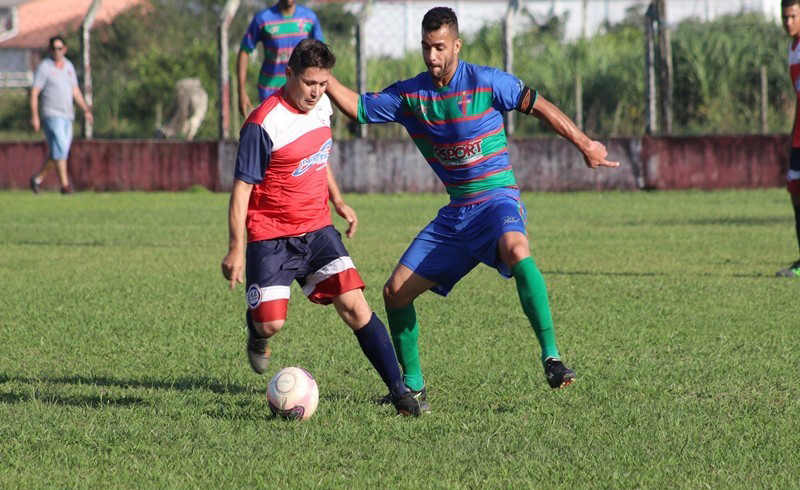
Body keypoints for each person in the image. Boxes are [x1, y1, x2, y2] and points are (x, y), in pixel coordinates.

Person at [325, 7, 619, 408]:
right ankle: (413, 385)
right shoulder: (412, 95)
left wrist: (585, 144)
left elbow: (540, 105)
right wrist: (324, 79)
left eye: (440, 48)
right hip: (457, 214)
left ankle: (552, 358)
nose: (432, 57)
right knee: (394, 293)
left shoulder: (487, 81)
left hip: (498, 200)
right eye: (426, 48)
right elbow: (358, 108)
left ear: (456, 46)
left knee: (518, 250)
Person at [221, 39, 423, 417]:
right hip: (271, 235)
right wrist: (235, 247)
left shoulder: (323, 105)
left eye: (323, 83)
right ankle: (256, 330)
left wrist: (339, 199)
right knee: (272, 322)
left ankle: (402, 395)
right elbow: (241, 189)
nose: (315, 92)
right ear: (289, 75)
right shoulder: (263, 123)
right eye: (309, 82)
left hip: (317, 231)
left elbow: (318, 156)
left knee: (356, 307)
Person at [237, 0, 324, 117]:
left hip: (301, 93)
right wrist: (241, 92)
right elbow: (244, 51)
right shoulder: (262, 19)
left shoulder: (309, 18)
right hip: (270, 93)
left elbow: (321, 55)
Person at [29, 35, 93, 195]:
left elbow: (75, 90)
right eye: (54, 48)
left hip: (67, 115)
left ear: (64, 49)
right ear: (50, 49)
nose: (57, 51)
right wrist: (35, 116)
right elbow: (35, 92)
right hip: (51, 114)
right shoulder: (44, 67)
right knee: (61, 148)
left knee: (59, 151)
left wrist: (85, 109)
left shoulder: (69, 67)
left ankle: (37, 180)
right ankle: (65, 186)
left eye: (60, 48)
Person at [778, 0, 800, 277]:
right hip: (798, 139)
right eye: (784, 17)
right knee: (795, 195)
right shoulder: (792, 50)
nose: (788, 22)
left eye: (793, 16)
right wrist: (791, 132)